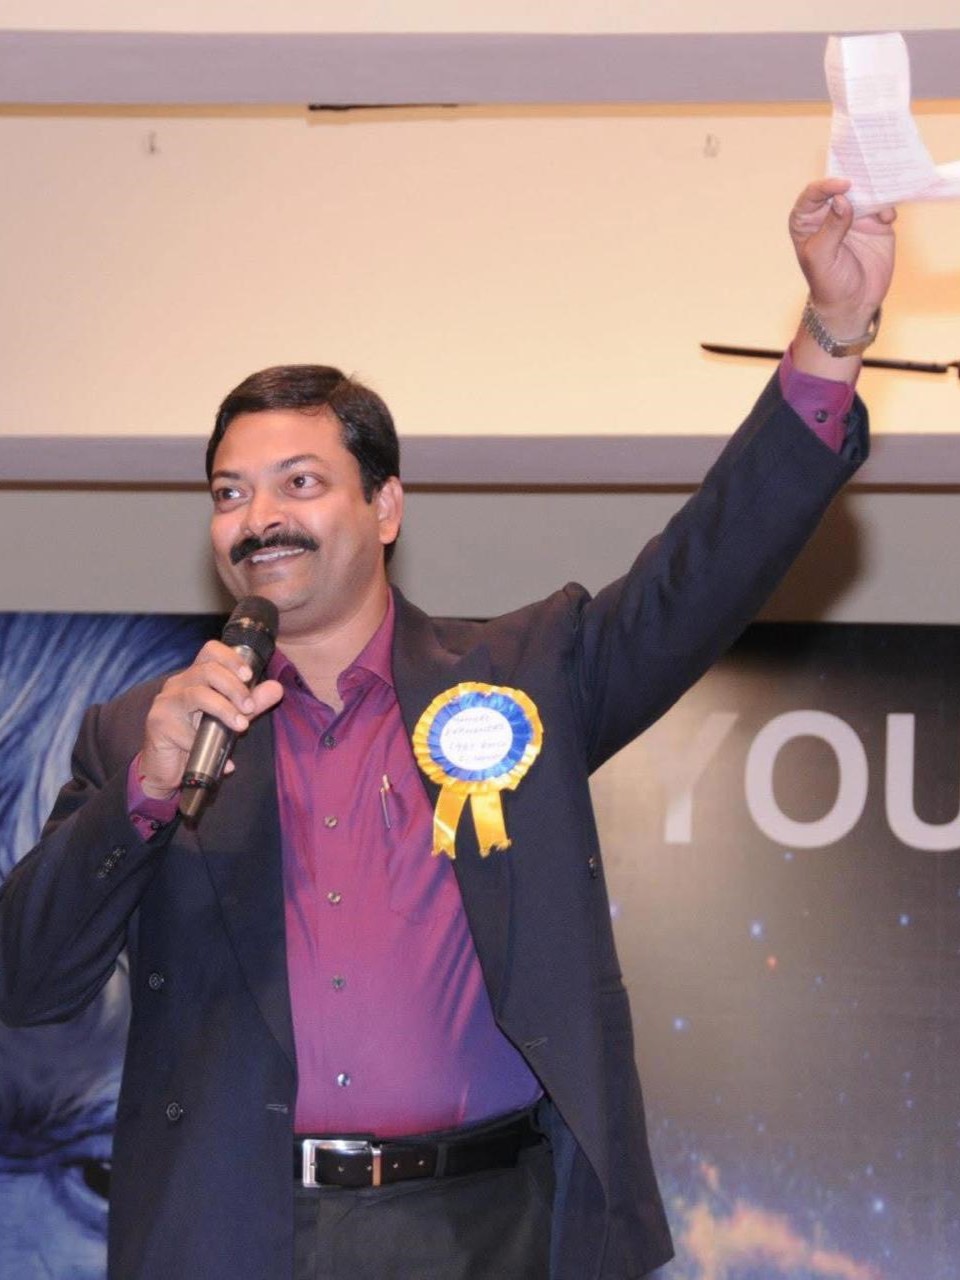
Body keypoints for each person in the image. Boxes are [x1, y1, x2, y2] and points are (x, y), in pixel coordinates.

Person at [0, 178, 895, 1280]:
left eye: (298, 482)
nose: (258, 517)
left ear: (384, 506)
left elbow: (702, 573)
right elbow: (28, 978)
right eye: (229, 493)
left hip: (489, 1227)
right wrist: (143, 789)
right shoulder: (140, 732)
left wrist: (832, 333)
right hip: (238, 1233)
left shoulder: (525, 675)